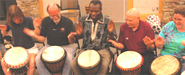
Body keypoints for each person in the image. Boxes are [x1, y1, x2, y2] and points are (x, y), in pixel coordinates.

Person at [24, 3, 76, 75]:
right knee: (38, 59)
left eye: (56, 14)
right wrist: (34, 35)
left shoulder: (68, 22)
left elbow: (72, 42)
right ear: (48, 14)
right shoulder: (45, 21)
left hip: (66, 46)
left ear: (59, 10)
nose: (55, 17)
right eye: (52, 16)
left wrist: (71, 38)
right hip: (50, 46)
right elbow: (42, 39)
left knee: (69, 58)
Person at [68, 0, 117, 75]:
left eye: (96, 11)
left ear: (101, 10)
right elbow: (77, 38)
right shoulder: (83, 19)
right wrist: (76, 35)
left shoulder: (107, 20)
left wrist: (110, 33)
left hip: (103, 49)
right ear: (89, 10)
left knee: (104, 65)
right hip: (86, 48)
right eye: (91, 11)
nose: (93, 13)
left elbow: (113, 40)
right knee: (74, 64)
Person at [109, 8, 155, 75]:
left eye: (130, 20)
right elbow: (122, 45)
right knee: (115, 66)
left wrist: (149, 45)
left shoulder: (146, 27)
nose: (128, 22)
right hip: (128, 53)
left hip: (144, 53)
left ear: (138, 18)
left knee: (146, 67)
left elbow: (152, 48)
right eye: (126, 20)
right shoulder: (123, 27)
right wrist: (117, 45)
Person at [0, 5, 40, 75]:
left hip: (30, 48)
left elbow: (38, 33)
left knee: (32, 63)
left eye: (18, 18)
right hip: (16, 49)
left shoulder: (28, 19)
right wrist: (3, 31)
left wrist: (36, 27)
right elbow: (5, 34)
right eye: (14, 19)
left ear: (20, 15)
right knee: (3, 62)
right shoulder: (10, 22)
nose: (16, 20)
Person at [155, 6, 185, 73]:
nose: (176, 22)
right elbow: (159, 45)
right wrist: (159, 44)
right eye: (174, 19)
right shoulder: (169, 26)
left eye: (179, 19)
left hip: (181, 59)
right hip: (165, 56)